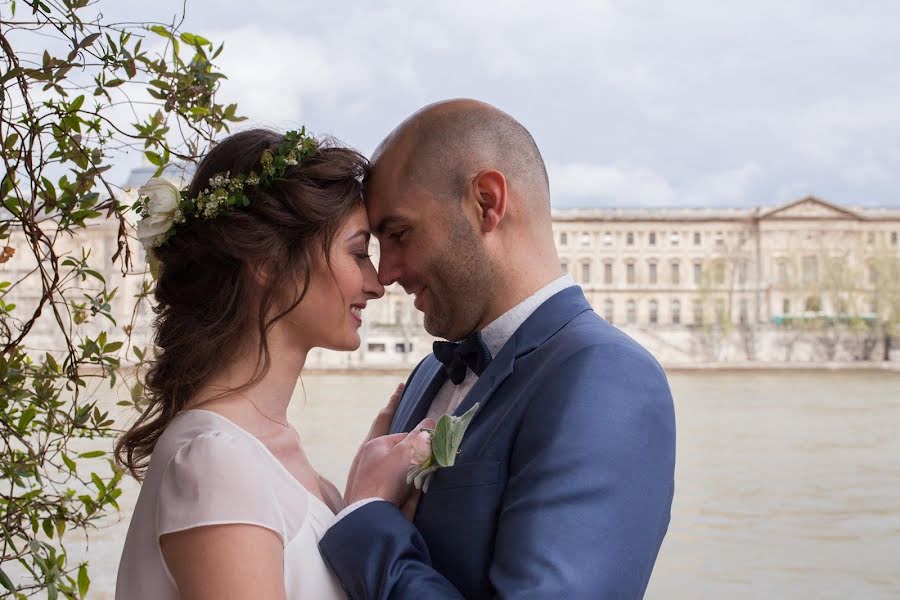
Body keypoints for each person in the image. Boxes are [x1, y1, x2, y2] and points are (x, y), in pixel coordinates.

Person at [320, 99, 677, 599]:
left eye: (399, 234)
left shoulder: (607, 376)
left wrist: (365, 521)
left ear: (487, 202)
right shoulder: (428, 372)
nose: (385, 274)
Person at [114, 128, 401, 599]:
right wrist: (369, 509)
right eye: (357, 253)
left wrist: (358, 504)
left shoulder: (259, 452)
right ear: (267, 261)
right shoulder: (214, 461)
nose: (377, 283)